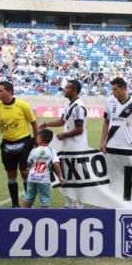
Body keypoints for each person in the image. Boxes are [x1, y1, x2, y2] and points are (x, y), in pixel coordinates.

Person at [0, 81, 39, 208]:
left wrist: (36, 140)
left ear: (10, 91)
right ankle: (15, 204)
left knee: (24, 172)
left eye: (1, 91)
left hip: (24, 143)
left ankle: (29, 204)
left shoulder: (22, 105)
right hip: (7, 145)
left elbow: (34, 123)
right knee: (11, 175)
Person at [39, 79, 87, 208]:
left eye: (67, 88)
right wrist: (47, 124)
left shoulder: (78, 107)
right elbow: (62, 121)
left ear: (74, 90)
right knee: (66, 175)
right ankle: (70, 202)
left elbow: (79, 129)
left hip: (77, 147)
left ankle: (78, 204)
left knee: (76, 176)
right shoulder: (69, 105)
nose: (64, 90)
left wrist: (63, 135)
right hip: (68, 146)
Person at [100, 77, 132, 160]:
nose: (113, 92)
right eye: (112, 90)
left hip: (129, 146)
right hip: (111, 145)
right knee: (112, 172)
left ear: (123, 88)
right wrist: (102, 141)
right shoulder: (109, 102)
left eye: (115, 89)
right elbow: (106, 122)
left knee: (129, 172)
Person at [21, 129, 66, 208]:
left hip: (32, 178)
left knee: (28, 198)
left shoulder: (34, 150)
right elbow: (56, 165)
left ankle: (22, 216)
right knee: (45, 200)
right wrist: (60, 177)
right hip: (44, 180)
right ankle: (43, 218)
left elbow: (28, 164)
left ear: (40, 139)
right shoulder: (51, 151)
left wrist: (30, 169)